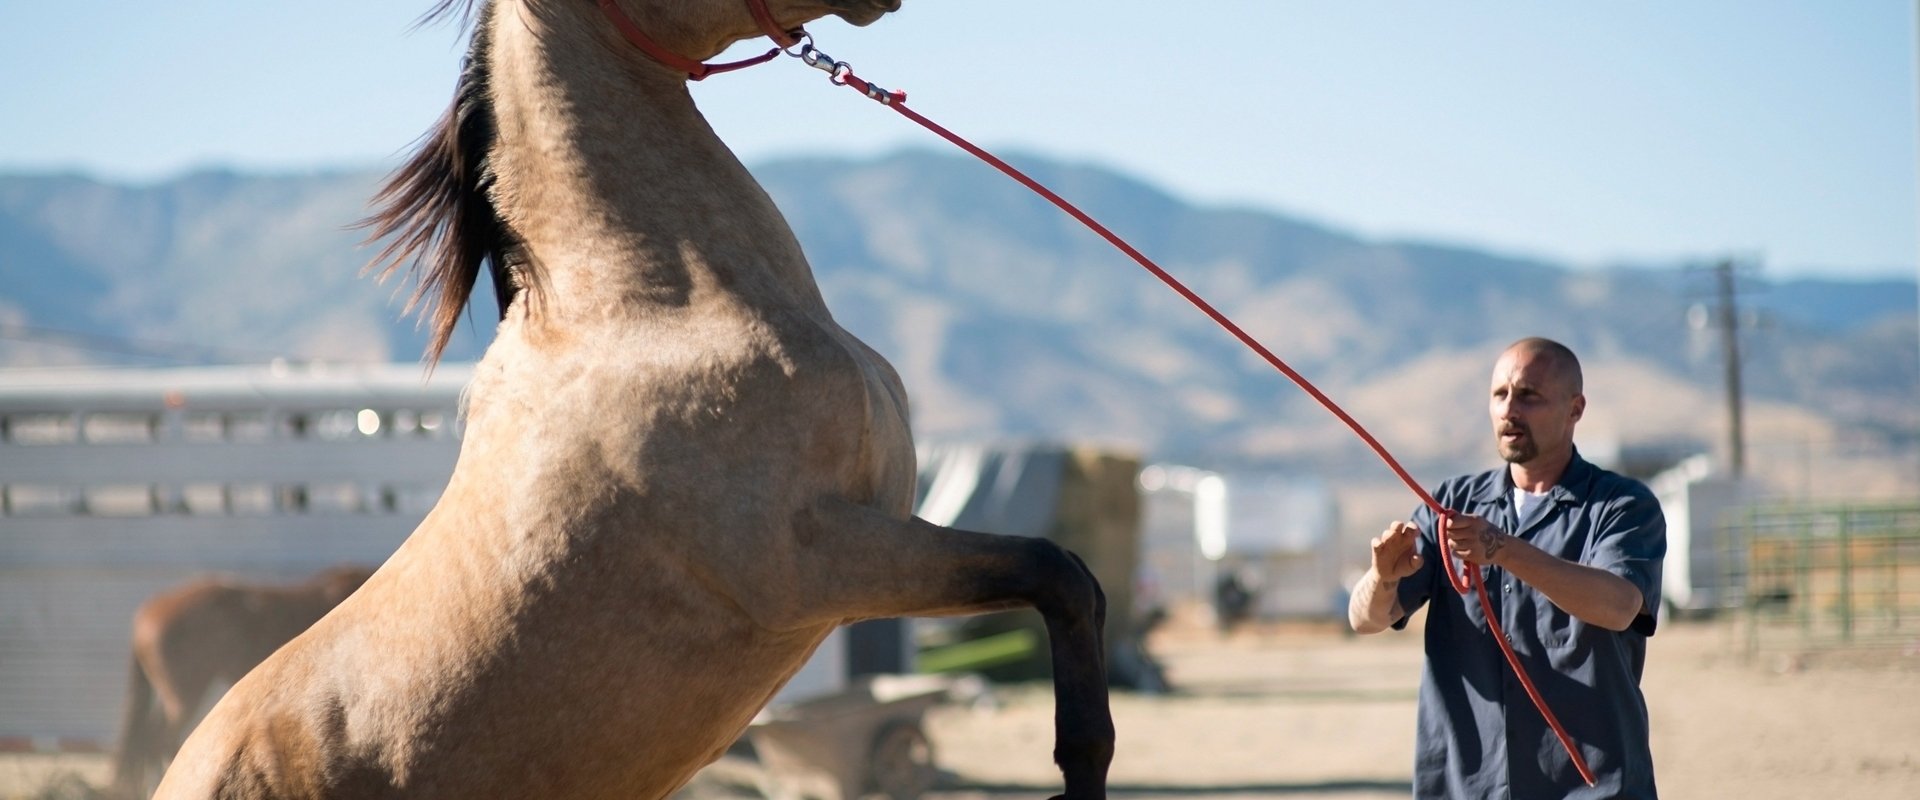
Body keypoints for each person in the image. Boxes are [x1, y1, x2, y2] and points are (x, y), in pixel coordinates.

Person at [1347, 337, 1666, 799]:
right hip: (1467, 786)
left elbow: (1618, 606)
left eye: (1529, 395)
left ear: (1575, 409)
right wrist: (1382, 577)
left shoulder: (1621, 506)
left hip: (1589, 788)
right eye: (1500, 395)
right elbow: (1364, 618)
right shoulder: (1452, 505)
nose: (1510, 410)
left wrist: (1502, 549)